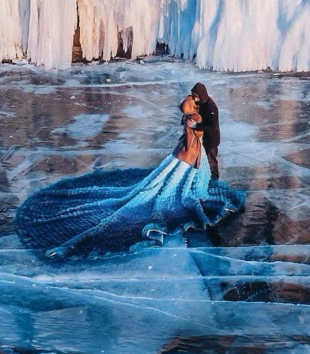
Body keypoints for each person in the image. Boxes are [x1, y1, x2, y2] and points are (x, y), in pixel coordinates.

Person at [15, 92, 243, 260]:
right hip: (189, 154)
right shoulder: (195, 118)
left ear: (196, 102)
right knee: (153, 192)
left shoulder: (194, 119)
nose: (188, 98)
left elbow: (193, 131)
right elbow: (192, 127)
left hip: (189, 155)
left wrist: (191, 124)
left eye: (192, 98)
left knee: (156, 198)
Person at [188, 82, 221, 179]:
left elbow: (212, 127)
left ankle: (214, 179)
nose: (194, 99)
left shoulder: (211, 108)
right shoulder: (201, 103)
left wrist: (195, 125)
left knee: (211, 161)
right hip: (204, 137)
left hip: (211, 139)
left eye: (196, 97)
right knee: (203, 159)